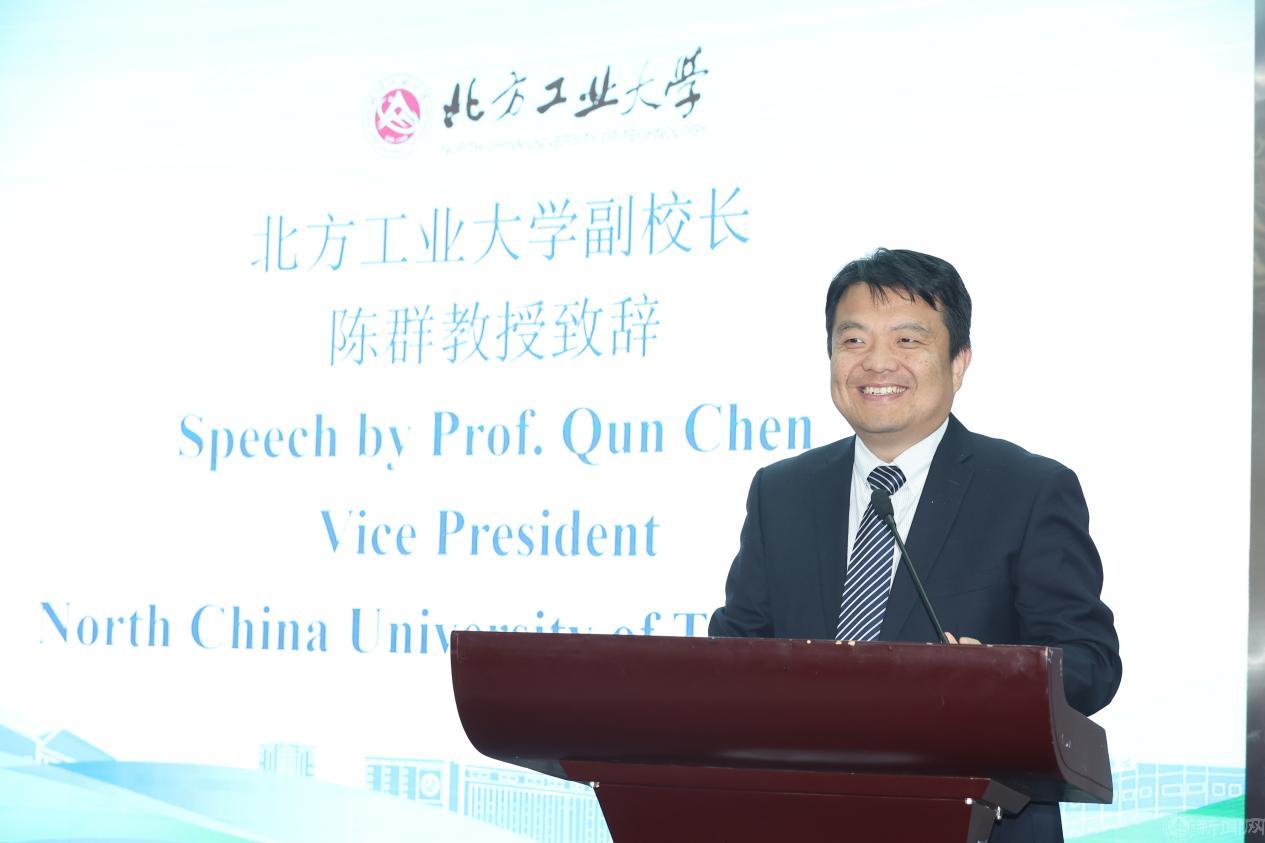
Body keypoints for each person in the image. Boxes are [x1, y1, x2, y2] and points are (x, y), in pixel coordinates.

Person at [708, 248, 1122, 843]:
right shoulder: (781, 492)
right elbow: (734, 653)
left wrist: (1002, 677)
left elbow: (1091, 660)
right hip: (802, 817)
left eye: (907, 340)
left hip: (976, 823)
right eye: (853, 340)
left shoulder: (1028, 489)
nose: (877, 362)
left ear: (959, 362)